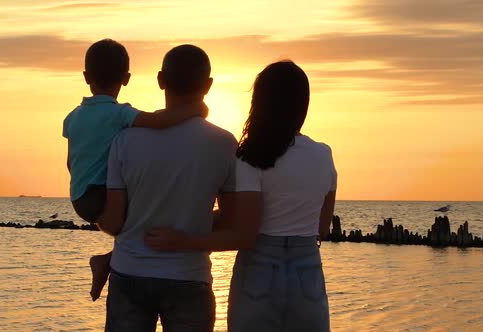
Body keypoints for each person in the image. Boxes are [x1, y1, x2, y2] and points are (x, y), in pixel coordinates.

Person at [145, 61, 337, 332]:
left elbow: (243, 232)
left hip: (259, 268)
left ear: (260, 102)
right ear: (302, 103)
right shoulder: (323, 154)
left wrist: (181, 239)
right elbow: (322, 228)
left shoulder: (251, 157)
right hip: (307, 269)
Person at [96, 44, 240, 332]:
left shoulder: (125, 140)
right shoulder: (224, 143)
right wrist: (191, 226)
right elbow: (231, 221)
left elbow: (113, 222)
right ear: (208, 86)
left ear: (160, 80)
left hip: (129, 273)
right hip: (189, 276)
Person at [62, 39, 206, 301]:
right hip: (101, 193)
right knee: (153, 218)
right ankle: (105, 261)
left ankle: (107, 261)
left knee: (138, 227)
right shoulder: (120, 114)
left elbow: (70, 162)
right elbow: (158, 121)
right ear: (126, 78)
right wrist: (194, 111)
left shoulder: (72, 116)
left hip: (80, 195)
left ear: (86, 77)